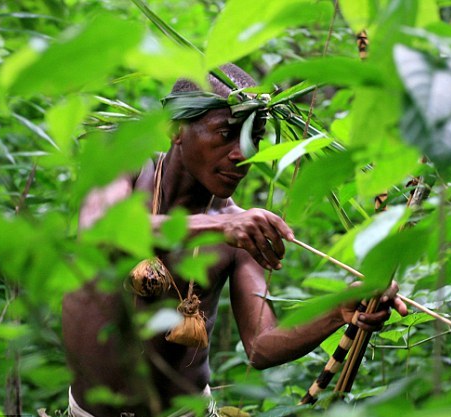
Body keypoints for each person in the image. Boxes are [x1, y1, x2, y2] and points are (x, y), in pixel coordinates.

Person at [62, 64, 407, 417]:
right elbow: (100, 230)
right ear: (176, 130)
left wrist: (338, 310)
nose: (243, 154)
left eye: (253, 137)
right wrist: (219, 228)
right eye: (226, 133)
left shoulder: (237, 230)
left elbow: (261, 346)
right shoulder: (125, 164)